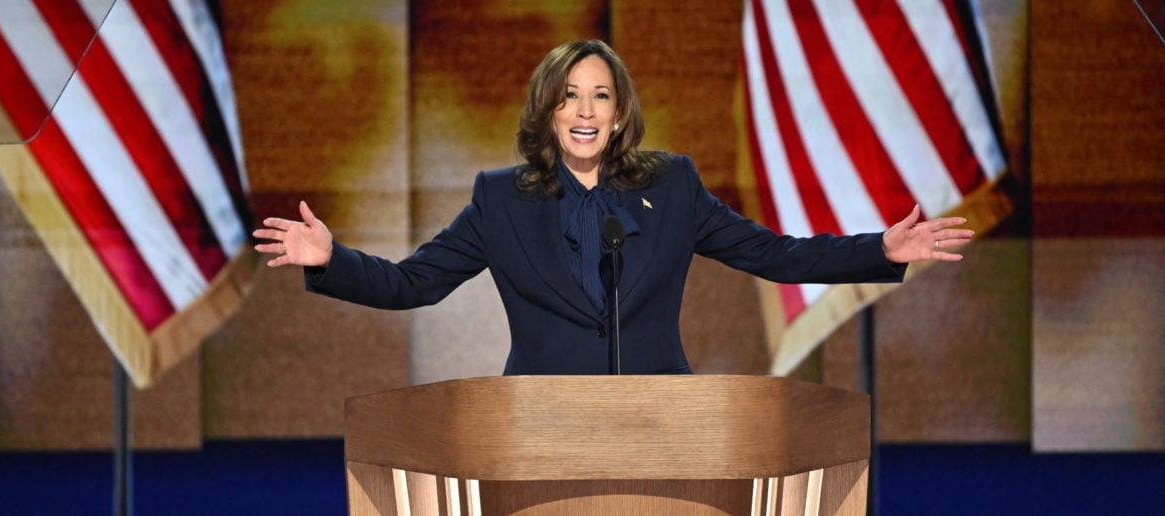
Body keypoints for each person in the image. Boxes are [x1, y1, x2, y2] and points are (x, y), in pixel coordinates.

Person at [253, 40, 973, 375]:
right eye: (570, 96)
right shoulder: (499, 200)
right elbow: (415, 283)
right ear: (547, 111)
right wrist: (332, 260)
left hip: (660, 425)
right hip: (538, 430)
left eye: (601, 95)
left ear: (622, 112)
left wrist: (880, 249)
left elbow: (775, 255)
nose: (586, 110)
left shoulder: (675, 185)